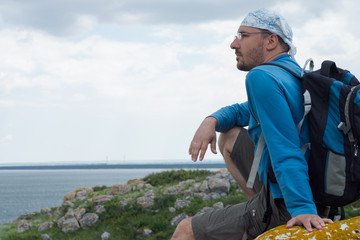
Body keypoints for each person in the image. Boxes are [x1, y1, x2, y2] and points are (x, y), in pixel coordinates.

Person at [171, 8, 333, 240]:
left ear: (270, 41)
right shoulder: (295, 75)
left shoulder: (262, 77)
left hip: (291, 203)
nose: (234, 44)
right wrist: (212, 120)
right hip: (317, 192)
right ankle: (258, 209)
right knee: (228, 136)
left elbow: (286, 151)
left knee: (185, 231)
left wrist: (302, 208)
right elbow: (243, 111)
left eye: (243, 35)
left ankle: (265, 216)